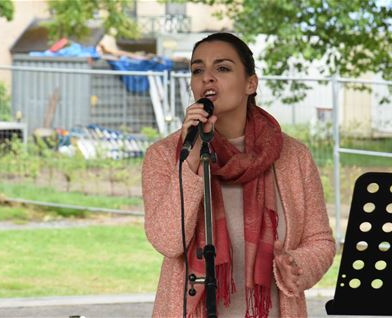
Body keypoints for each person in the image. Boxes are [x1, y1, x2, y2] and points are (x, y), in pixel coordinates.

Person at [142, 32, 335, 317]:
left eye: (222, 68)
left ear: (250, 83)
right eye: (197, 70)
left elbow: (321, 241)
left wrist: (295, 264)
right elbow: (168, 241)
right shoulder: (165, 156)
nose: (207, 77)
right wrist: (191, 159)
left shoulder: (293, 156)